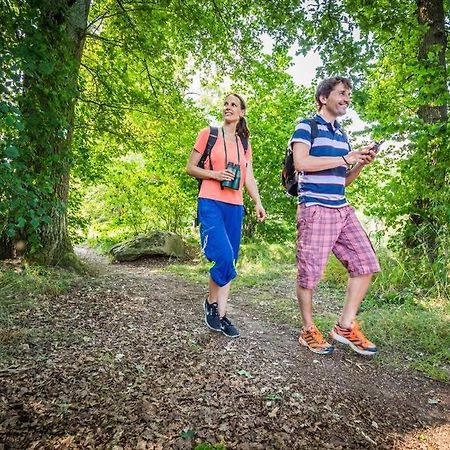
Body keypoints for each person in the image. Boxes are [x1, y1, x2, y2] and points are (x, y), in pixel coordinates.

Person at [290, 76, 381, 356]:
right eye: (342, 93)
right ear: (323, 98)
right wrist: (346, 159)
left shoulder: (342, 134)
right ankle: (308, 330)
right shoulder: (307, 126)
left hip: (341, 208)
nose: (347, 98)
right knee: (310, 274)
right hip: (315, 208)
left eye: (348, 95)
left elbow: (343, 180)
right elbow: (301, 163)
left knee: (365, 264)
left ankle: (344, 326)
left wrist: (360, 164)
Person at [186, 93, 266, 338]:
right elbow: (190, 167)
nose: (228, 107)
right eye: (226, 103)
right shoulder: (208, 133)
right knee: (223, 255)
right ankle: (211, 303)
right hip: (210, 201)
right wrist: (215, 174)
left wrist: (258, 202)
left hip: (235, 205)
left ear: (242, 112)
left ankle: (220, 314)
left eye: (234, 104)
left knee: (230, 260)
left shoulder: (244, 143)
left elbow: (248, 177)